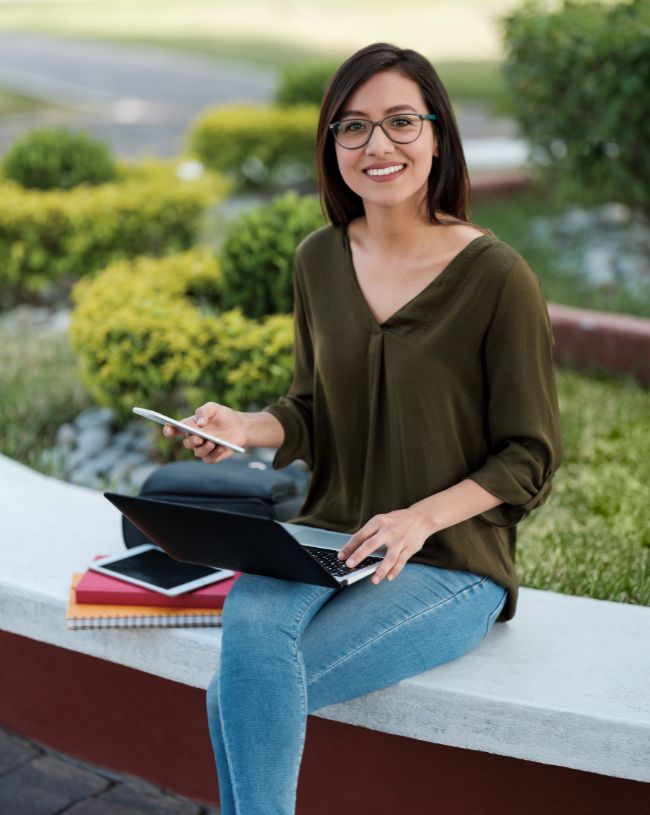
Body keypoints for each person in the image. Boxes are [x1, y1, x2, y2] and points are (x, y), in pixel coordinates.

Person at [163, 42, 563, 815]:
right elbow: (310, 407)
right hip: (325, 537)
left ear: (439, 135)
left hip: (450, 561)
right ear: (332, 145)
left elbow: (531, 455)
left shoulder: (498, 277)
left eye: (401, 122)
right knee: (249, 653)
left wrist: (419, 518)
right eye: (353, 127)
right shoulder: (318, 260)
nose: (378, 146)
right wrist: (248, 427)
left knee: (238, 693)